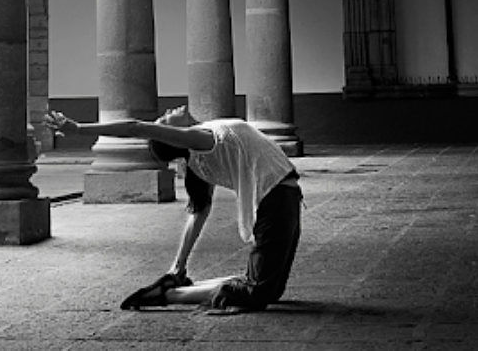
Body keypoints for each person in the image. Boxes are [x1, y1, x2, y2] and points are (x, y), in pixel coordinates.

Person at [44, 106, 303, 313]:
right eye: (164, 120)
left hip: (284, 197)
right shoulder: (197, 140)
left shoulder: (203, 151)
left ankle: (179, 285)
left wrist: (177, 267)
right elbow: (135, 127)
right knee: (259, 292)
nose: (168, 111)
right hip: (276, 199)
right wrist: (78, 129)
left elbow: (199, 213)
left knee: (271, 290)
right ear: (170, 136)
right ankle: (170, 295)